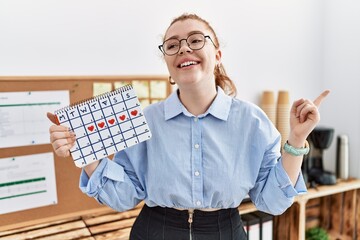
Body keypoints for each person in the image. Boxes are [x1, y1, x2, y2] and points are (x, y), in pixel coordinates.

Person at [47, 13, 329, 240]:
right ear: (168, 64)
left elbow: (273, 202)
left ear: (217, 55)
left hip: (225, 232)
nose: (183, 47)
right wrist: (88, 156)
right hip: (154, 231)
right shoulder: (144, 120)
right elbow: (124, 197)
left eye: (195, 40)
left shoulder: (252, 121)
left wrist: (296, 139)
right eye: (172, 45)